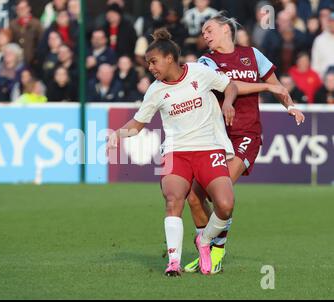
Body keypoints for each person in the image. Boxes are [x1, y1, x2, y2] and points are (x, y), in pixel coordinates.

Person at [107, 28, 239, 276]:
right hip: (176, 152)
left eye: (153, 61)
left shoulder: (199, 72)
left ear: (169, 58)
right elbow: (137, 124)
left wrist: (229, 102)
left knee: (225, 204)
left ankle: (204, 240)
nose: (150, 67)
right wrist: (117, 134)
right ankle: (173, 262)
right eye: (148, 63)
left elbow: (229, 86)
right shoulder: (155, 91)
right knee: (173, 199)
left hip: (208, 148)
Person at [183, 13, 306, 274]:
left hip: (246, 134)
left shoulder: (252, 54)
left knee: (221, 191)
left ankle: (215, 251)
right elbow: (231, 85)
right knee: (193, 196)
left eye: (209, 29)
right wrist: (265, 88)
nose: (204, 35)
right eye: (203, 32)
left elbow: (277, 86)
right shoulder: (206, 61)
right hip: (215, 136)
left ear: (226, 29)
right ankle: (206, 251)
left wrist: (291, 106)